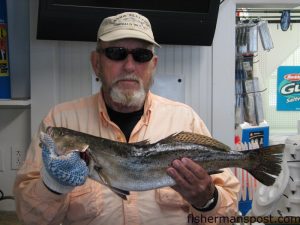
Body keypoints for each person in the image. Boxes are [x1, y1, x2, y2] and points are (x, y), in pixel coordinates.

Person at [14, 12, 240, 225]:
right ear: (96, 63)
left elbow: (227, 216)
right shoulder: (60, 121)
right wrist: (52, 185)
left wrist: (207, 200)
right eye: (116, 53)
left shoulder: (185, 119)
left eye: (142, 55)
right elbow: (30, 218)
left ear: (153, 65)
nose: (130, 66)